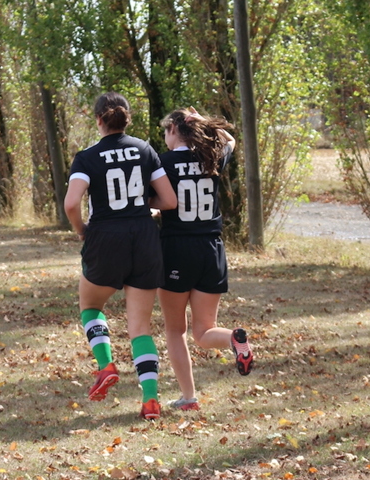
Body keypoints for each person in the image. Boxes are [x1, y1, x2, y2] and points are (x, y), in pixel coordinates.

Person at [64, 92, 177, 420]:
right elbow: (168, 201)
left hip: (104, 237)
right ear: (127, 117)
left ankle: (106, 365)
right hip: (143, 237)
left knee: (91, 307)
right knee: (140, 327)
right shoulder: (145, 149)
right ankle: (151, 400)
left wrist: (80, 229)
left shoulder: (87, 157)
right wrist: (139, 205)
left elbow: (71, 203)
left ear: (99, 120)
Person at [157, 107, 254, 412]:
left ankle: (188, 397)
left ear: (174, 129)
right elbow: (229, 140)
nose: (164, 137)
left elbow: (158, 199)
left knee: (176, 331)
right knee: (204, 330)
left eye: (166, 130)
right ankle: (234, 339)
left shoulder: (162, 163)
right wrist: (200, 122)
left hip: (176, 249)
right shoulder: (210, 157)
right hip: (211, 249)